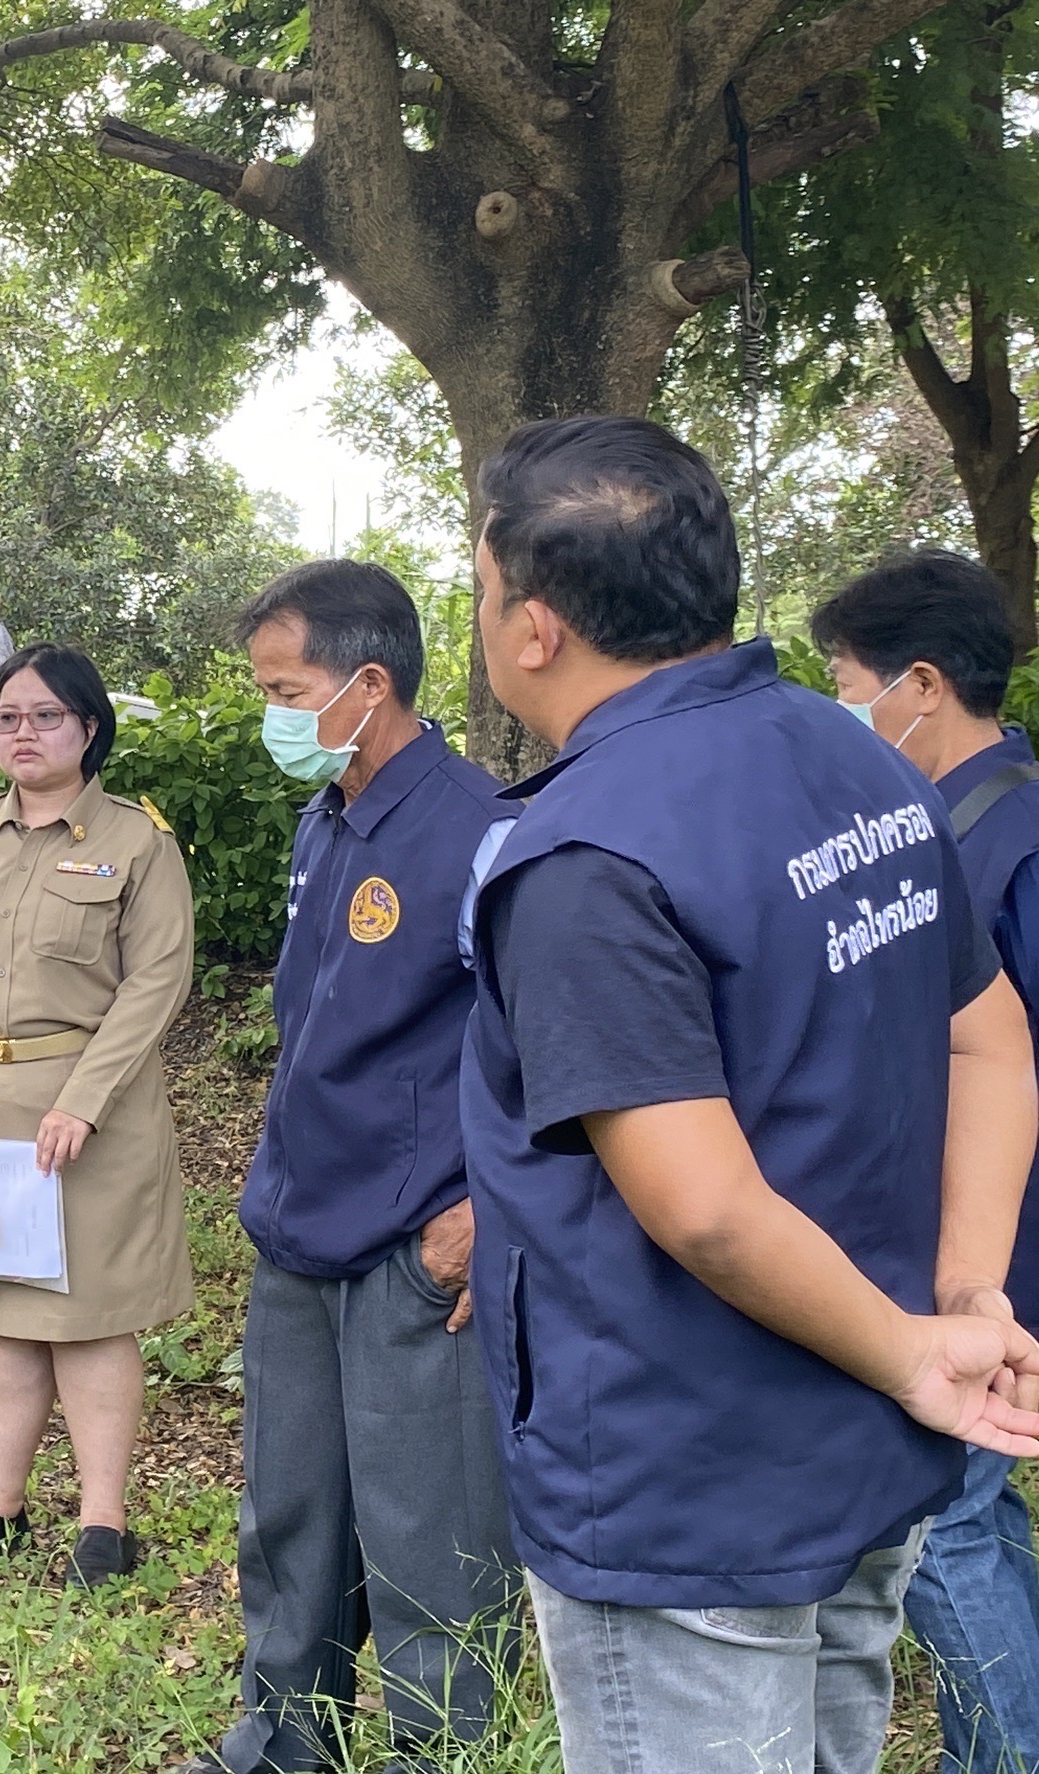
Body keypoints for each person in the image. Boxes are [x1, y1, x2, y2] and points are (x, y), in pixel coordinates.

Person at [461, 415, 1039, 1774]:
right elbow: (995, 1043)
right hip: (862, 1436)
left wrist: (922, 1349)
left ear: (535, 627)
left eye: (486, 591)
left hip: (687, 1482)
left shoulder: (585, 856)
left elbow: (708, 1209)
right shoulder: (868, 765)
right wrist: (958, 1297)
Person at [180, 563, 516, 1774]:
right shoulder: (330, 816)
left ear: (369, 684)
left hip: (416, 1244)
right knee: (290, 1514)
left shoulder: (480, 832)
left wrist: (484, 1213)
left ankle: (444, 1753)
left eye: (287, 688)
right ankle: (284, 1737)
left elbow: (543, 1044)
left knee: (430, 1530)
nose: (272, 713)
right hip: (300, 1225)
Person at [0, 641, 197, 1589]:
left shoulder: (136, 843)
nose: (23, 734)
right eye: (7, 718)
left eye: (45, 717)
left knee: (93, 1319)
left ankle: (104, 1524)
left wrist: (83, 1101)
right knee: (2, 1317)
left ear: (89, 728)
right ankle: (0, 1506)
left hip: (85, 1121)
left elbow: (155, 983)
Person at [814, 549, 1039, 1774]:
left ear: (922, 683)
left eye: (847, 683)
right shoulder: (930, 833)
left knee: (945, 1522)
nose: (845, 711)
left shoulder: (1014, 842)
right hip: (958, 1247)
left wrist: (978, 1270)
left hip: (991, 1256)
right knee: (972, 1520)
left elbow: (1012, 1061)